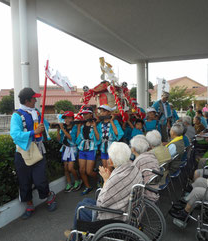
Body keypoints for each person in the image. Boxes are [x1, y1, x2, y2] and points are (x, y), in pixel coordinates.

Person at [67, 142, 142, 240]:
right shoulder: (133, 168)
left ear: (111, 160)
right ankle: (76, 232)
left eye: (109, 157)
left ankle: (75, 235)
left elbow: (101, 203)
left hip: (115, 216)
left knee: (80, 207)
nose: (107, 159)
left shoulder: (116, 177)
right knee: (85, 201)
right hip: (127, 207)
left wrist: (106, 180)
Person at [10, 87, 56, 220]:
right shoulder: (16, 115)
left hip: (38, 150)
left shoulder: (36, 112)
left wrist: (47, 127)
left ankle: (49, 196)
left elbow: (45, 125)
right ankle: (29, 205)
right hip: (23, 153)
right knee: (24, 181)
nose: (36, 100)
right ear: (27, 100)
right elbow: (14, 134)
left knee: (40, 180)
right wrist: (33, 133)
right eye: (34, 98)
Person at [76, 107, 100, 195]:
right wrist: (78, 128)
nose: (84, 115)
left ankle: (98, 179)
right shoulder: (82, 124)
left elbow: (98, 138)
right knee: (81, 170)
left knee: (89, 171)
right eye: (83, 114)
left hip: (91, 149)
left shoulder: (96, 124)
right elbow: (78, 138)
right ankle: (88, 186)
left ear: (91, 114)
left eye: (86, 114)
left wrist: (94, 127)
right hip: (82, 148)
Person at [56, 111, 82, 192]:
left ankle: (78, 180)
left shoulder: (75, 127)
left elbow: (71, 138)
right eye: (65, 118)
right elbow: (59, 140)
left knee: (70, 167)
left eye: (68, 118)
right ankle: (69, 183)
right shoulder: (63, 127)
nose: (66, 120)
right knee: (66, 168)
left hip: (72, 149)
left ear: (72, 118)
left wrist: (63, 129)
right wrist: (58, 131)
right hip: (65, 148)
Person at [131, 135, 160, 202]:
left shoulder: (138, 161)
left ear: (133, 149)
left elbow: (133, 180)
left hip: (145, 193)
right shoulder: (152, 156)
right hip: (155, 189)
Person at [97, 105, 124, 169]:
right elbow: (98, 137)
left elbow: (117, 133)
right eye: (100, 112)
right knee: (105, 167)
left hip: (112, 147)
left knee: (110, 167)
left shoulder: (115, 122)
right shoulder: (100, 124)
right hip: (103, 147)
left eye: (104, 111)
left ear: (109, 112)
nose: (102, 113)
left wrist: (111, 121)